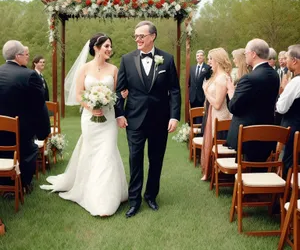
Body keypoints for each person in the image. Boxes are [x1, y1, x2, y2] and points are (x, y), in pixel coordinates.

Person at [40, 33, 128, 217]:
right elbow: (79, 94)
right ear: (96, 47)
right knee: (91, 152)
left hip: (109, 118)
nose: (109, 49)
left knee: (107, 152)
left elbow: (119, 93)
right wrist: (90, 106)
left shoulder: (114, 69)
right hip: (89, 119)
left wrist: (122, 96)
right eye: (106, 46)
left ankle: (107, 199)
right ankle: (89, 192)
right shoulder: (85, 69)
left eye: (110, 46)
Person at [115, 20, 181, 218]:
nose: (138, 39)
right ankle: (134, 201)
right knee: (135, 160)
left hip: (160, 120)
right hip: (134, 119)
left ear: (152, 36)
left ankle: (151, 196)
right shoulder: (127, 59)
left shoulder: (167, 59)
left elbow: (175, 90)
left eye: (141, 36)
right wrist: (119, 113)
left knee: (156, 160)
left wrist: (174, 116)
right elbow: (119, 90)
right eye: (135, 36)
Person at [0, 40, 50, 192]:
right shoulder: (29, 75)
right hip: (21, 132)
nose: (27, 58)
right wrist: (44, 131)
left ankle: (5, 184)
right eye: (24, 54)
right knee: (30, 149)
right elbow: (39, 104)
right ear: (17, 56)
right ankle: (24, 184)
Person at [226, 39, 280, 162]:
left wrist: (230, 90)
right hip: (267, 131)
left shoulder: (249, 78)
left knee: (246, 172)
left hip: (247, 136)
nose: (245, 55)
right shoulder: (274, 75)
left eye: (246, 52)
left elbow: (234, 107)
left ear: (253, 54)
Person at [200, 48, 232, 181]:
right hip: (212, 114)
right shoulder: (216, 76)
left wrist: (205, 91)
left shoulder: (222, 78)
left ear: (218, 61)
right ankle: (210, 171)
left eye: (210, 59)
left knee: (216, 142)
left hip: (220, 116)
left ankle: (219, 175)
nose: (208, 62)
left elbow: (218, 104)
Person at [276, 44, 300, 178]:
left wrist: (284, 90)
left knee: (289, 162)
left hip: (293, 129)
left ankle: (287, 194)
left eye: (288, 58)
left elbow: (281, 108)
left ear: (294, 61)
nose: (286, 61)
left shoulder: (295, 82)